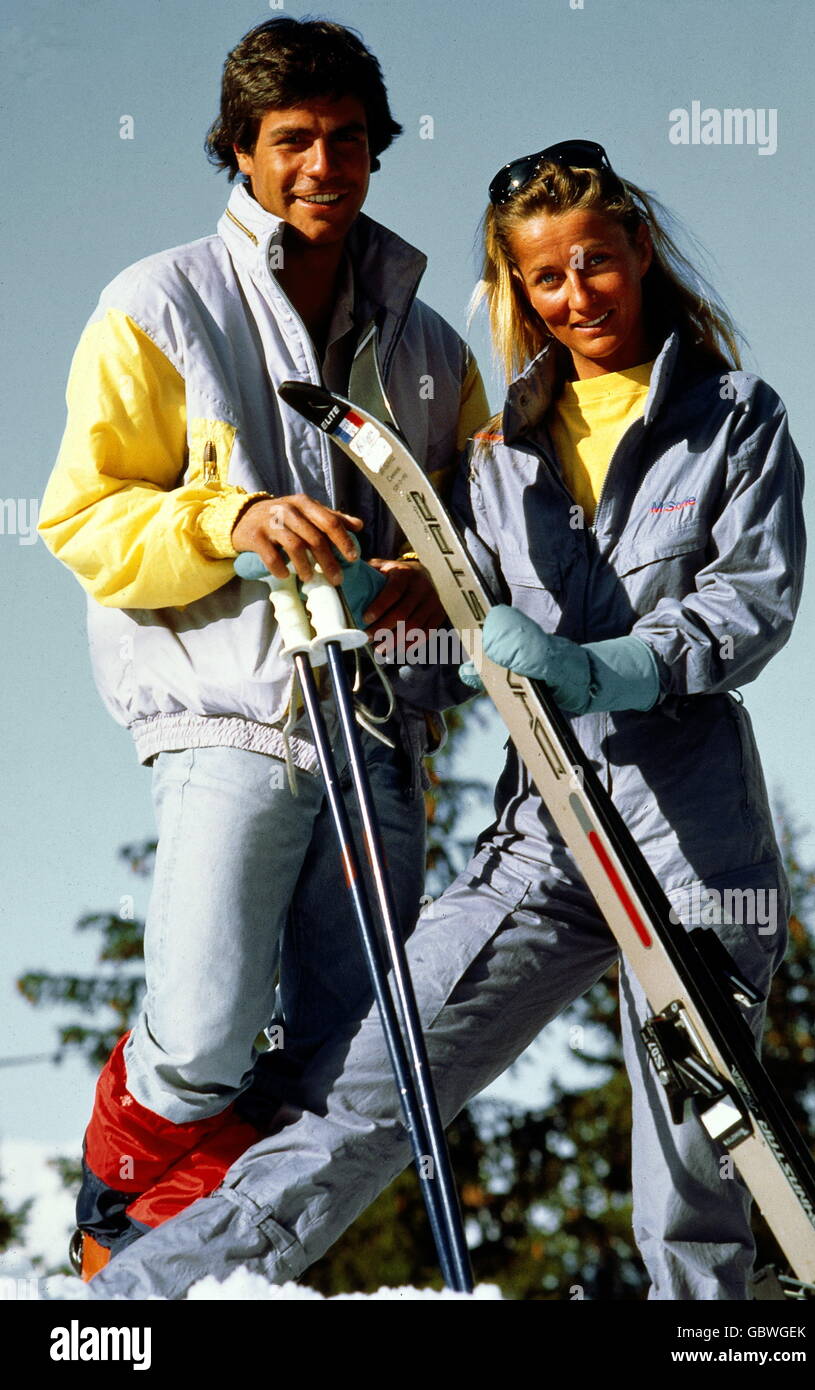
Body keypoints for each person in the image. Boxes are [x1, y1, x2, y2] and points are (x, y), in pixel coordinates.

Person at [85, 140, 806, 1302]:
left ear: (639, 255)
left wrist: (597, 665)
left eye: (597, 264)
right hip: (545, 838)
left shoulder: (732, 417)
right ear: (519, 291)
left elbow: (750, 603)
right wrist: (382, 595)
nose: (579, 296)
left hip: (691, 843)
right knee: (375, 1079)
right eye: (547, 279)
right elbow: (458, 591)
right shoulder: (499, 453)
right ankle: (132, 1304)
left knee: (693, 1175)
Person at [37, 17, 487, 1282]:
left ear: (376, 149)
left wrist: (429, 583)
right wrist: (229, 516)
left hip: (384, 733)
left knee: (355, 1046)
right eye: (292, 139)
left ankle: (230, 1260)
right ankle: (118, 1211)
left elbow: (477, 533)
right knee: (202, 1025)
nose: (322, 163)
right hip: (229, 712)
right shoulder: (160, 301)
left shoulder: (428, 345)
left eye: (348, 138)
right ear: (241, 148)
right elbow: (83, 513)